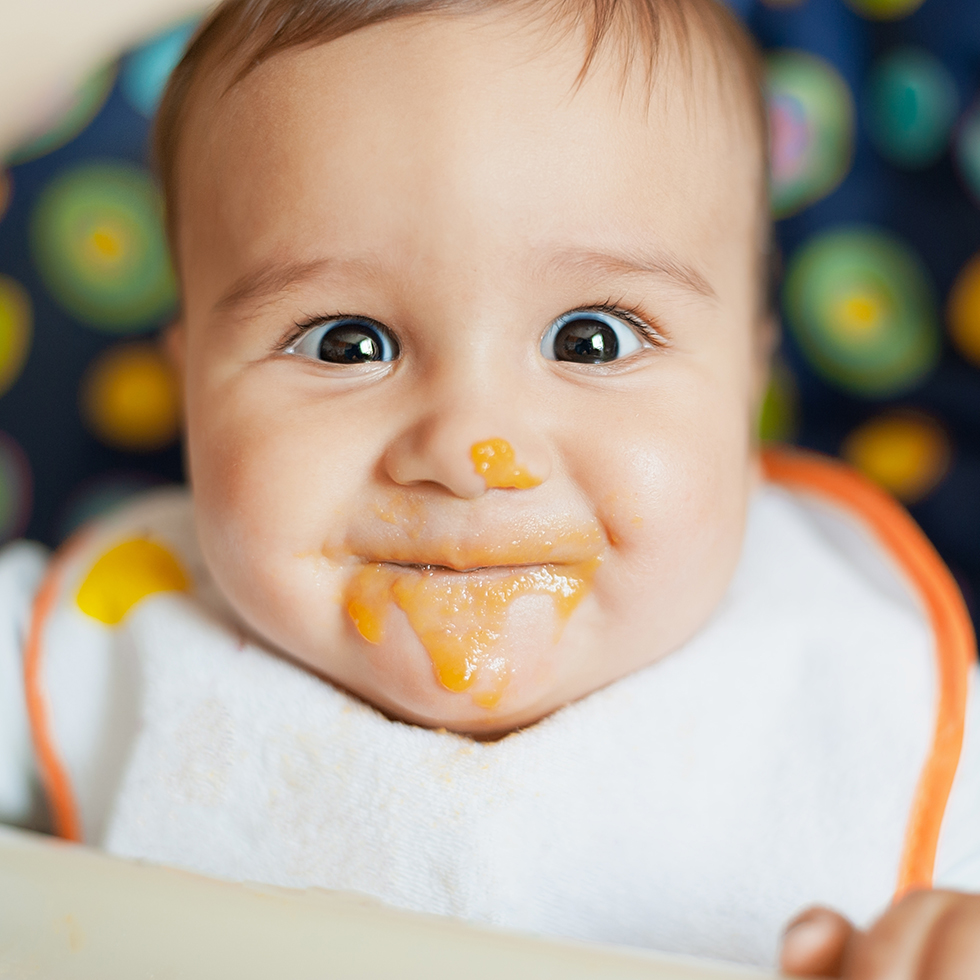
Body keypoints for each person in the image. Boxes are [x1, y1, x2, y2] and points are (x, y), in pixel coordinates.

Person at [2, 0, 980, 973]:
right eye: (347, 341)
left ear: (748, 379)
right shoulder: (111, 633)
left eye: (589, 338)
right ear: (190, 388)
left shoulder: (860, 692)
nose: (470, 445)